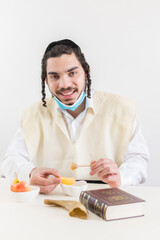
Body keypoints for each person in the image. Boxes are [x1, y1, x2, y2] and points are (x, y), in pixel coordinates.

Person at [0, 39, 150, 193]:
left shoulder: (122, 109)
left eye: (72, 73)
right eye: (54, 77)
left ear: (86, 71)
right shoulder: (31, 115)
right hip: (50, 202)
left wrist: (122, 176)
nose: (64, 84)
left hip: (106, 200)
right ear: (46, 80)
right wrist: (30, 173)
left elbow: (138, 159)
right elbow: (10, 160)